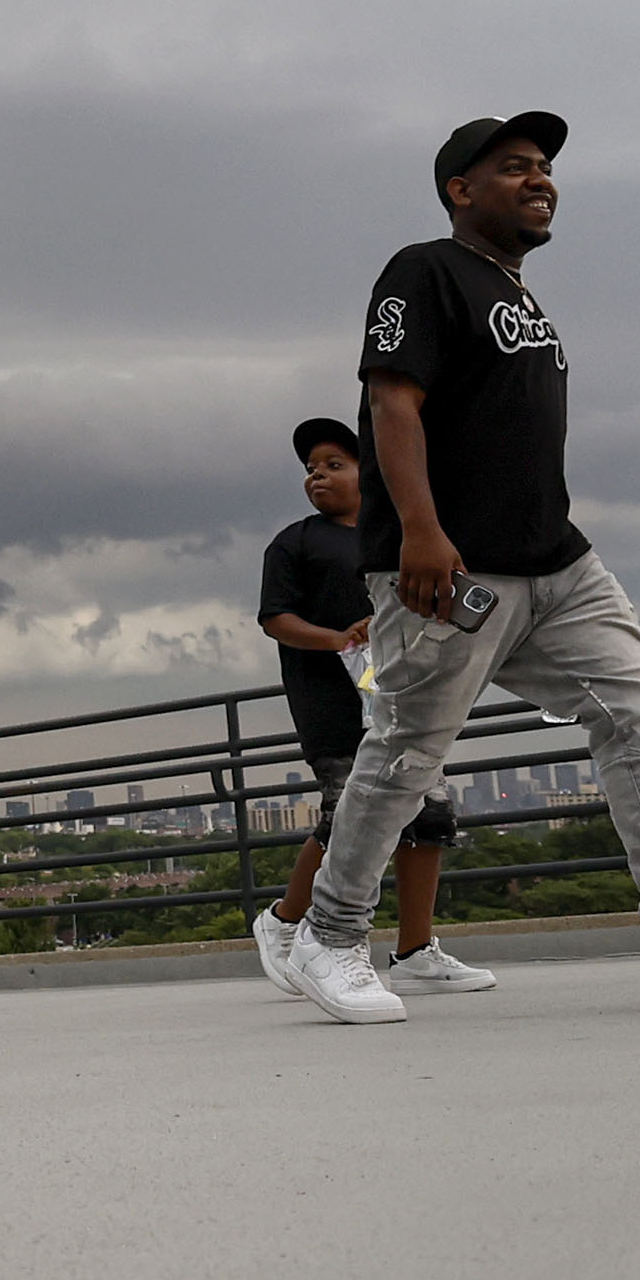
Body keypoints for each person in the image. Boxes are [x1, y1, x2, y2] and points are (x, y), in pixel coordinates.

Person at [282, 115, 640, 1023]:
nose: (539, 179)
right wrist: (420, 531)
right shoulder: (423, 269)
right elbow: (392, 400)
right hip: (449, 567)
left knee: (638, 718)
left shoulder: (518, 292)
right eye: (514, 168)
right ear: (461, 191)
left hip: (558, 561)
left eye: (545, 168)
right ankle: (331, 936)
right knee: (404, 751)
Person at [247, 421, 491, 996]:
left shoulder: (401, 537)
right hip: (331, 704)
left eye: (335, 464)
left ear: (370, 472)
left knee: (427, 817)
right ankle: (284, 921)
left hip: (404, 700)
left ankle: (414, 953)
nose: (317, 475)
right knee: (345, 814)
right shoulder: (294, 542)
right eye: (311, 467)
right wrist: (338, 638)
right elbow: (274, 618)